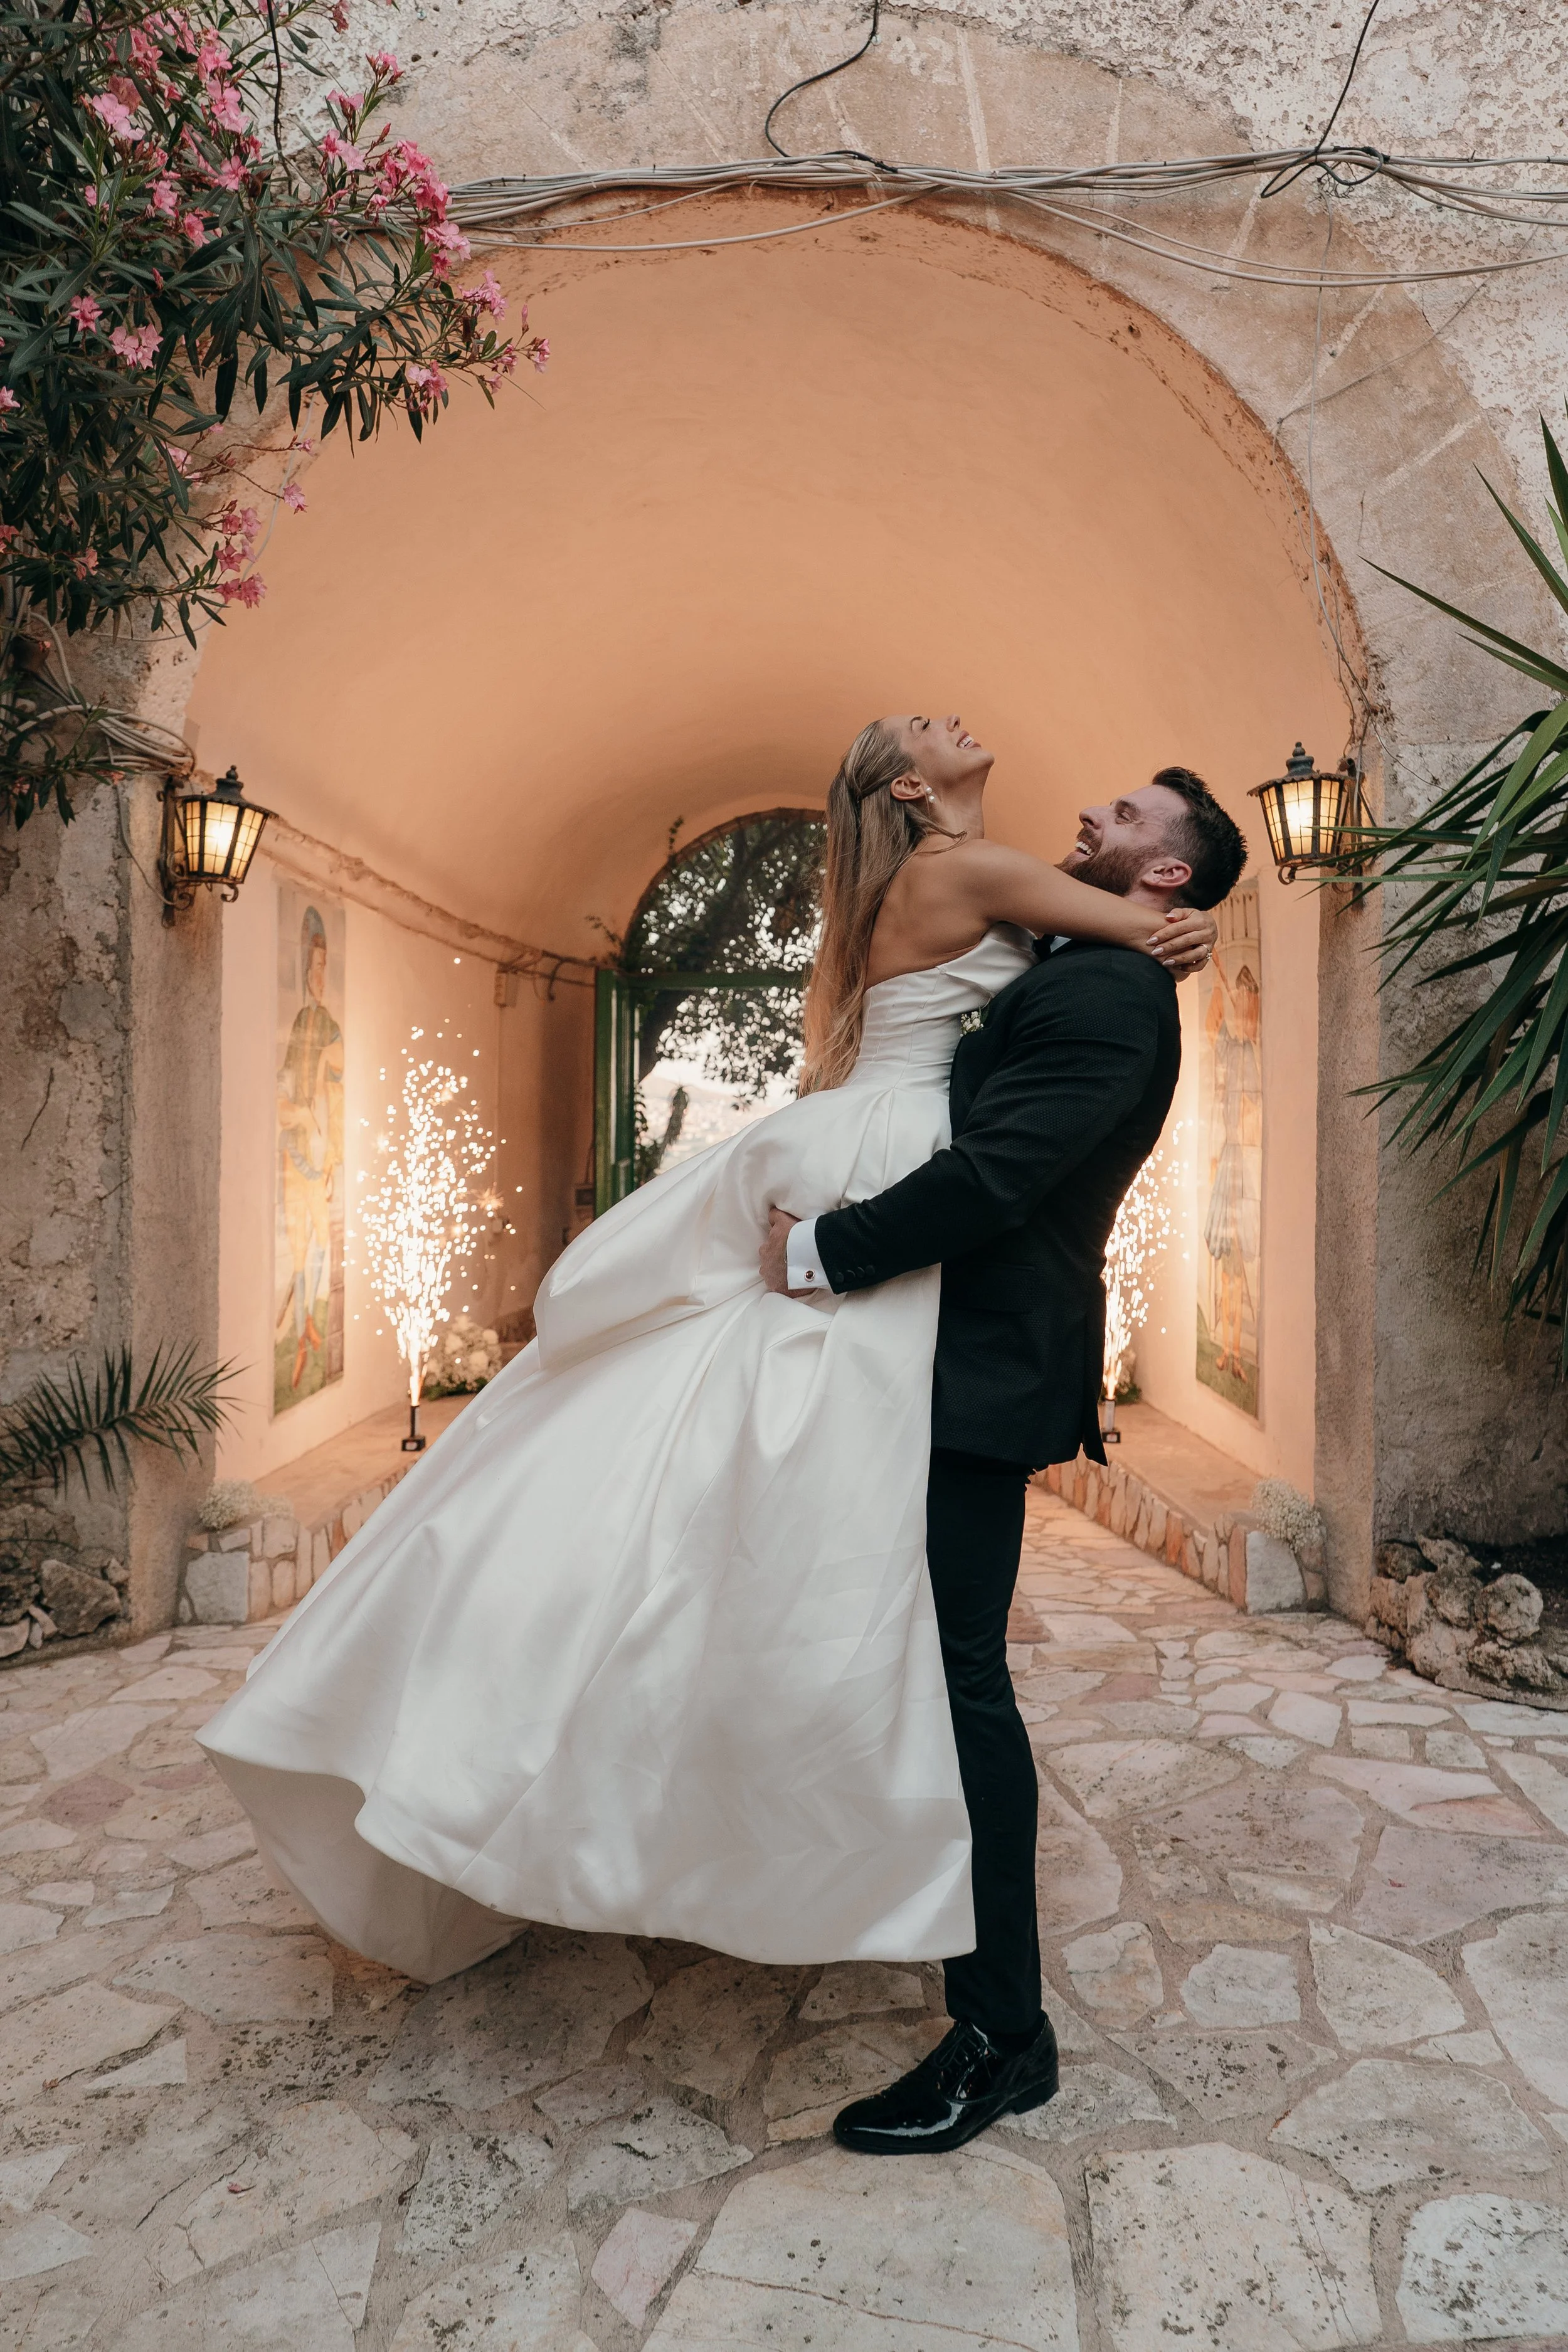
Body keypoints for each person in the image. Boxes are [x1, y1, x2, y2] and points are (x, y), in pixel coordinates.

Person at [197, 712, 1219, 2020]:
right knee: (839, 1531)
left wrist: (1154, 930)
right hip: (888, 1170)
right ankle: (842, 1860)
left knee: (729, 1475)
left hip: (876, 1164)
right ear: (912, 786)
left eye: (1128, 818)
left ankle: (734, 1789)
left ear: (1167, 864)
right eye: (929, 729)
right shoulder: (969, 871)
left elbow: (1056, 1046)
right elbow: (1123, 947)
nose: (960, 727)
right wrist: (1167, 927)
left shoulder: (951, 887)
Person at [759, 724, 1246, 2153]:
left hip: (972, 1358)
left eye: (1127, 812)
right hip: (923, 1347)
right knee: (909, 1654)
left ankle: (1002, 2034)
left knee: (964, 1679)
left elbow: (998, 1172)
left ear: (1164, 871)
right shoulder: (1072, 958)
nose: (1089, 809)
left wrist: (820, 1251)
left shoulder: (1108, 991)